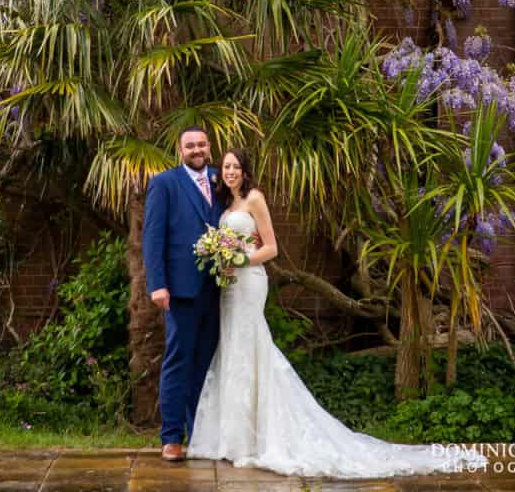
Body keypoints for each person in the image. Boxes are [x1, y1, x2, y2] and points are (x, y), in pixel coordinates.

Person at [187, 149, 487, 481]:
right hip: (229, 286)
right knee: (233, 350)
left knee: (251, 349)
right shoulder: (226, 206)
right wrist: (221, 257)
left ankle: (255, 440)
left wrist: (242, 260)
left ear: (246, 171)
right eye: (226, 166)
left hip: (250, 281)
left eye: (236, 167)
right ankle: (234, 438)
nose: (230, 171)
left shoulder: (255, 198)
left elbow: (271, 248)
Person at [142, 125, 222, 462]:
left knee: (206, 363)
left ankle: (201, 435)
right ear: (180, 149)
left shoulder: (223, 179)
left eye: (201, 144)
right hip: (180, 289)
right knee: (178, 360)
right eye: (190, 145)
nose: (196, 150)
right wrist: (157, 284)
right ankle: (172, 436)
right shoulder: (164, 183)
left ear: (209, 147)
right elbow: (153, 237)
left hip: (219, 288)